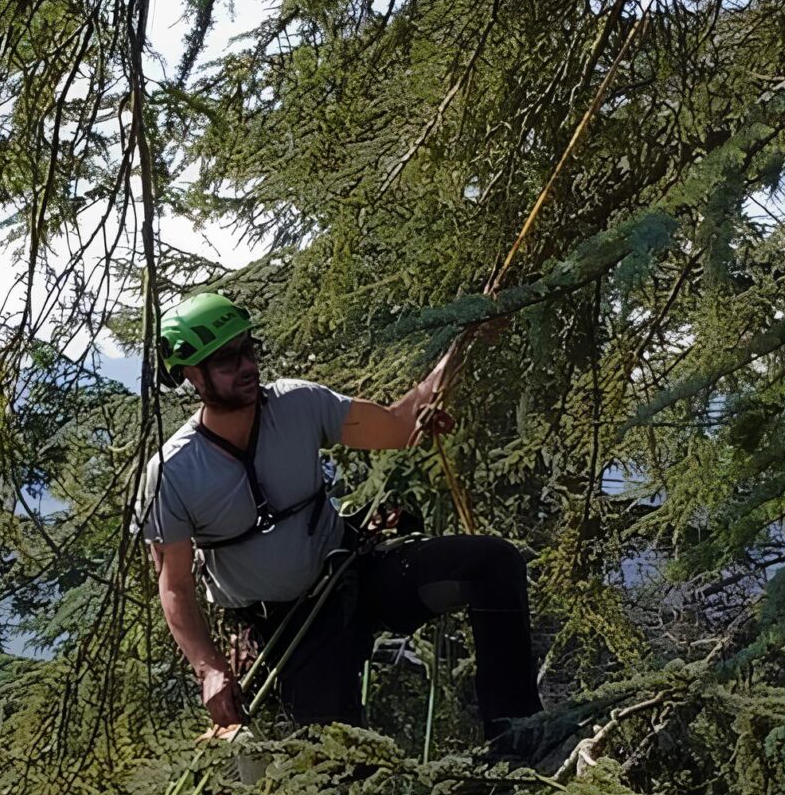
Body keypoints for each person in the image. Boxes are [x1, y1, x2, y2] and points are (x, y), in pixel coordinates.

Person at [138, 293, 542, 750]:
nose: (247, 366)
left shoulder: (298, 404)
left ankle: (517, 736)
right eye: (228, 360)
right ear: (191, 374)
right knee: (338, 765)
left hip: (351, 575)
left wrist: (464, 339)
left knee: (493, 564)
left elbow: (398, 426)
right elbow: (174, 586)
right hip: (286, 630)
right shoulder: (172, 472)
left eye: (248, 350)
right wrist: (209, 668)